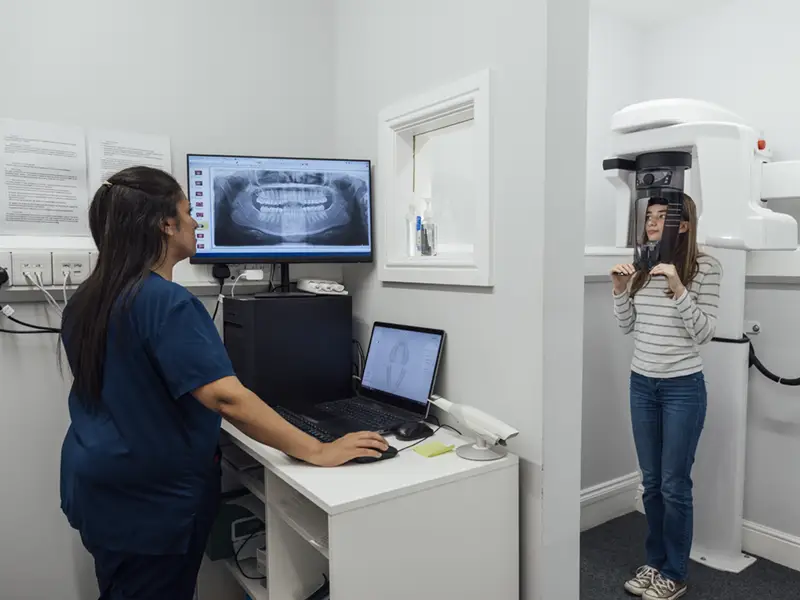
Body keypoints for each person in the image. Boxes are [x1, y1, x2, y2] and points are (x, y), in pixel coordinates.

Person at [59, 166, 388, 600]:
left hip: (99, 488)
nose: (197, 222)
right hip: (152, 504)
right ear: (165, 224)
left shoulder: (86, 298)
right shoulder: (165, 302)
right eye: (188, 211)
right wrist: (320, 450)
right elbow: (227, 398)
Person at [610, 194, 722, 600]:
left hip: (681, 388)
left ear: (685, 225)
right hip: (642, 384)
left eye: (662, 217)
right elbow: (627, 326)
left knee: (675, 485)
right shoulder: (641, 265)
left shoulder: (705, 267)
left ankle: (674, 571)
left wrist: (677, 286)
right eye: (649, 218)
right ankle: (654, 562)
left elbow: (704, 333)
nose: (652, 224)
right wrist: (620, 289)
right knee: (652, 483)